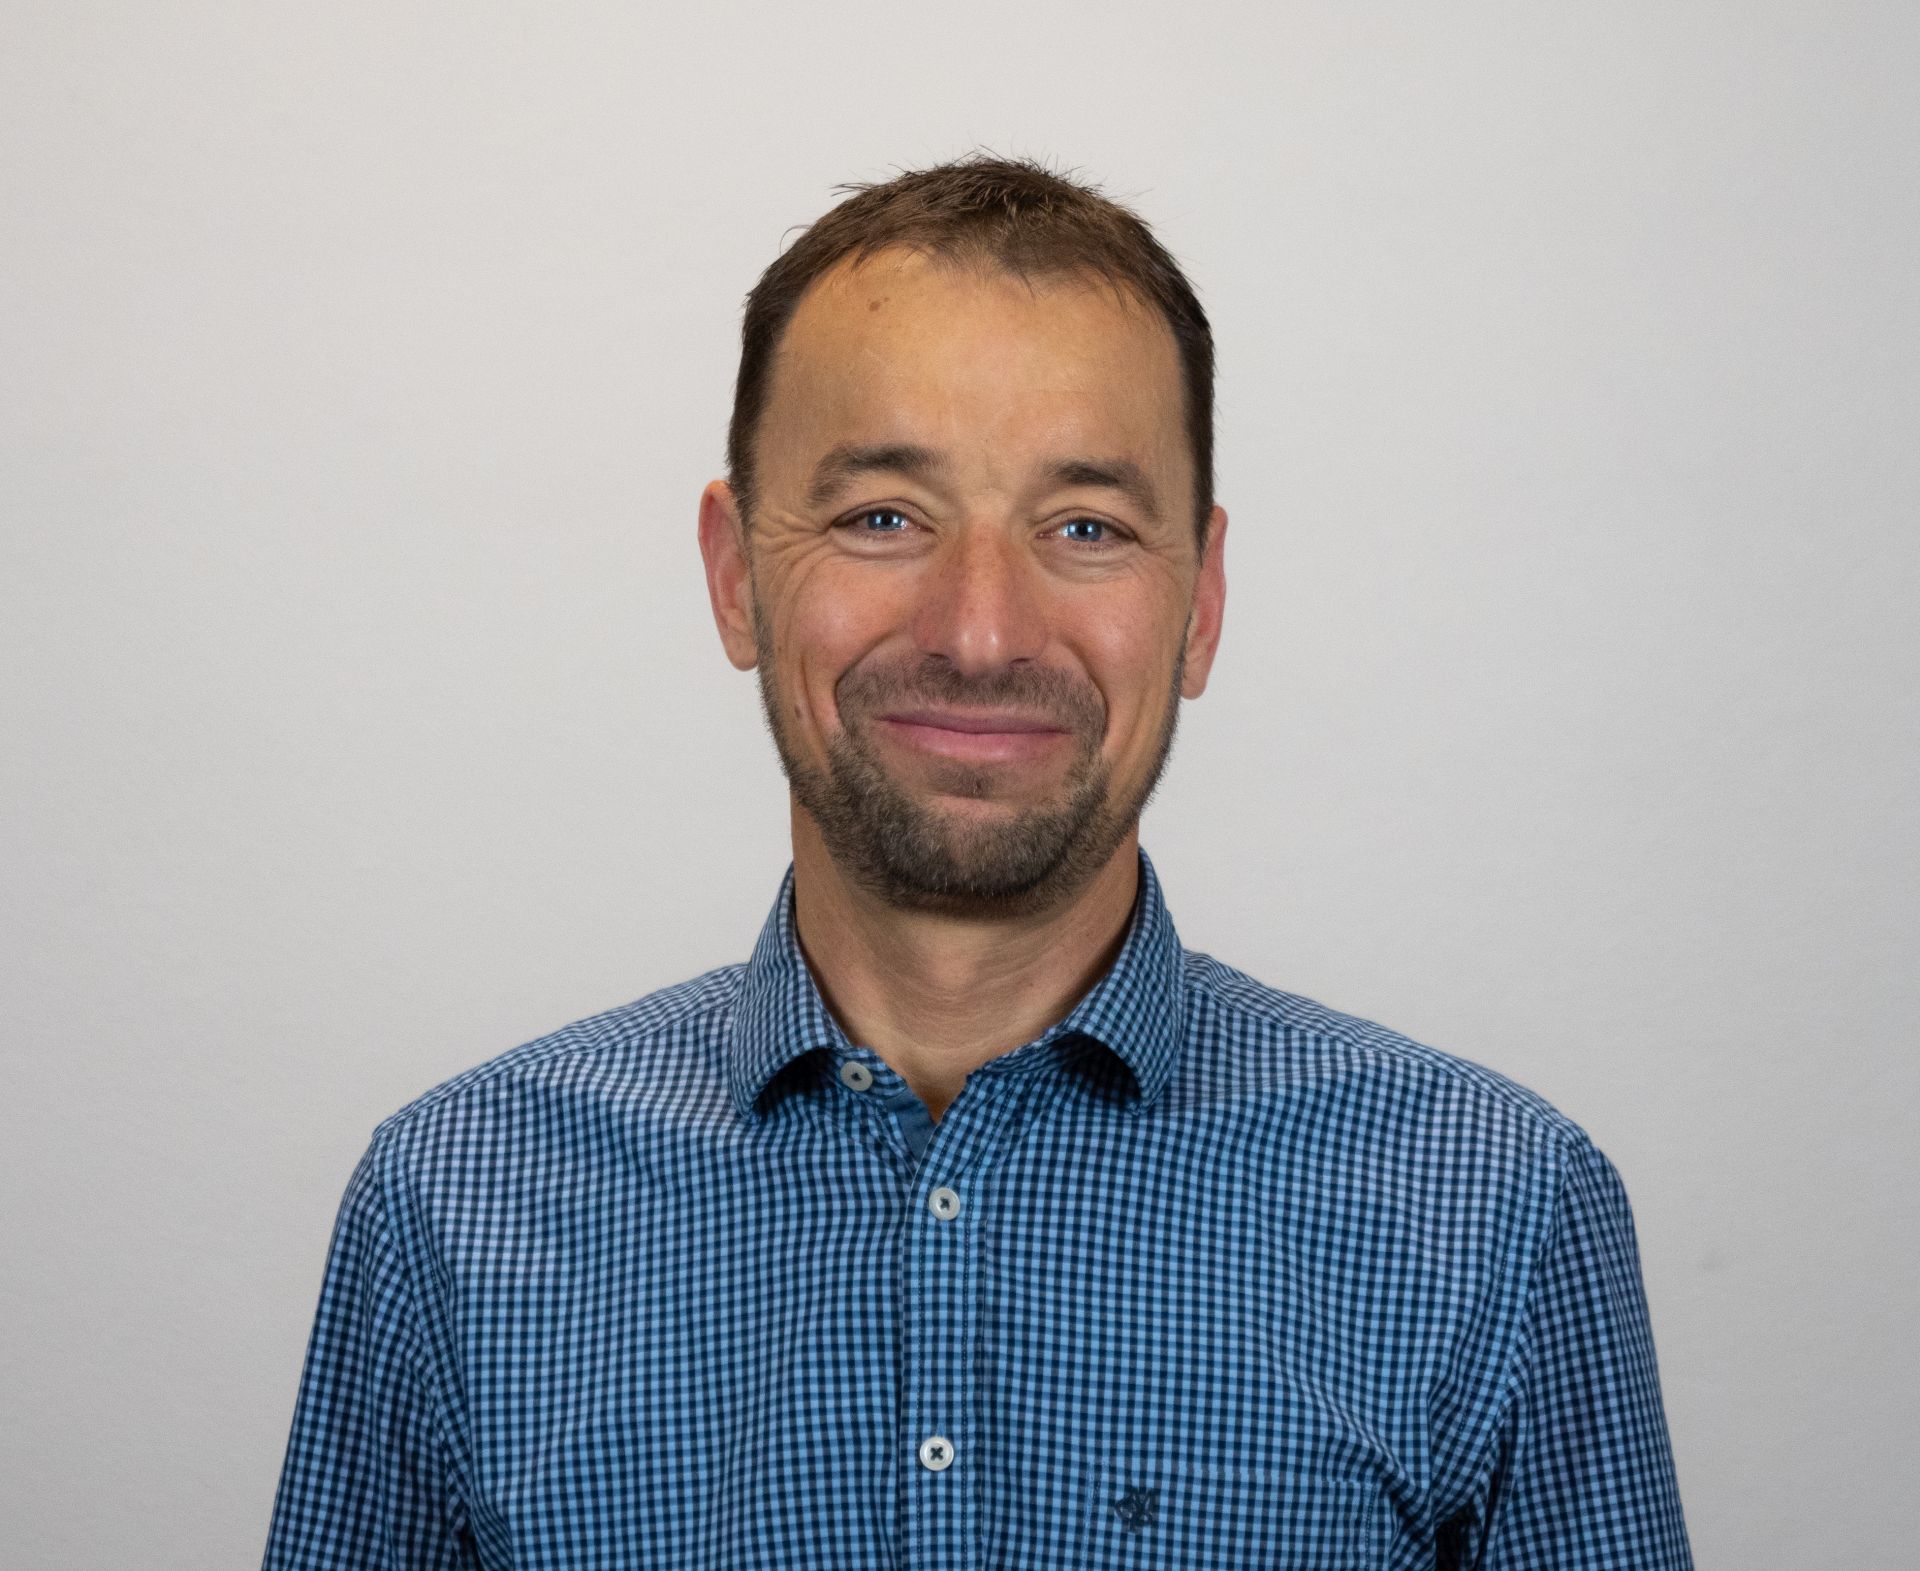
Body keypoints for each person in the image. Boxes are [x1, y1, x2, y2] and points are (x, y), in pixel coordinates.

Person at [261, 154, 1692, 1569]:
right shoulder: (457, 1209)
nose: (982, 631)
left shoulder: (1494, 1213)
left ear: (1201, 605)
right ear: (735, 574)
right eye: (884, 518)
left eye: (1086, 527)